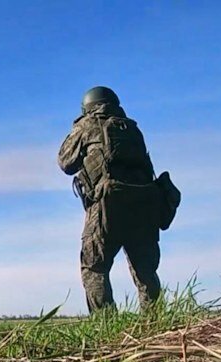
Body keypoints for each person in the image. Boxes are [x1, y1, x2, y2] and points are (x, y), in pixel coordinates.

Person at [58, 86, 162, 312]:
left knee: (94, 268)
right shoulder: (133, 129)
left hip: (106, 206)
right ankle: (155, 323)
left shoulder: (86, 126)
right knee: (145, 269)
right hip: (143, 206)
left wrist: (78, 127)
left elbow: (65, 162)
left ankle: (106, 326)